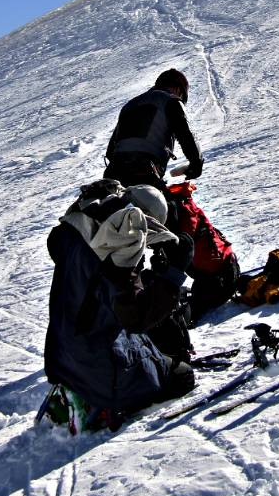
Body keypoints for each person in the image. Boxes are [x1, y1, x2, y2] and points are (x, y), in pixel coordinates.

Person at [44, 179, 196, 430]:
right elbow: (136, 317)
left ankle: (82, 391)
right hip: (100, 364)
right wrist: (173, 273)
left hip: (61, 353)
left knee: (154, 351)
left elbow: (101, 288)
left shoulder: (80, 227)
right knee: (182, 376)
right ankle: (104, 401)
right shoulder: (121, 244)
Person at [104, 69, 204, 189]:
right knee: (170, 206)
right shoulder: (171, 101)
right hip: (144, 172)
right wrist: (196, 164)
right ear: (178, 89)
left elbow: (111, 151)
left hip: (114, 173)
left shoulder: (130, 105)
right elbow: (186, 134)